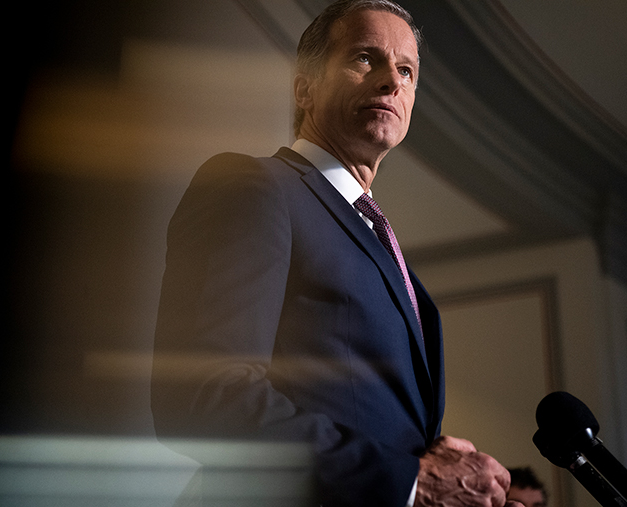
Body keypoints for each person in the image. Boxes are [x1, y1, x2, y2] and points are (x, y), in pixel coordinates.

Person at [152, 1, 521, 506]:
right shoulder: (253, 186)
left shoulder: (384, 249)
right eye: (366, 58)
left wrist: (434, 471)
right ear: (304, 88)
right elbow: (203, 397)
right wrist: (411, 483)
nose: (393, 81)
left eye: (407, 70)